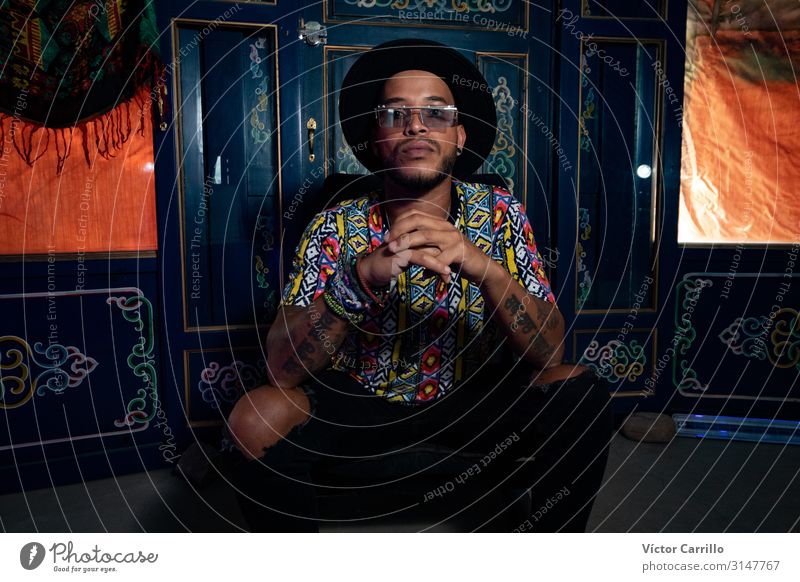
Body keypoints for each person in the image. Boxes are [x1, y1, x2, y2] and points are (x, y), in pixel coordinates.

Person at [227, 39, 612, 532]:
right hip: (360, 406)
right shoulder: (335, 225)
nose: (415, 125)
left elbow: (550, 352)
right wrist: (359, 279)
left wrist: (485, 268)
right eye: (395, 114)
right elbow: (280, 369)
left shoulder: (500, 214)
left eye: (437, 113)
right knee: (256, 416)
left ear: (459, 137)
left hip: (472, 398)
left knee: (579, 391)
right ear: (376, 139)